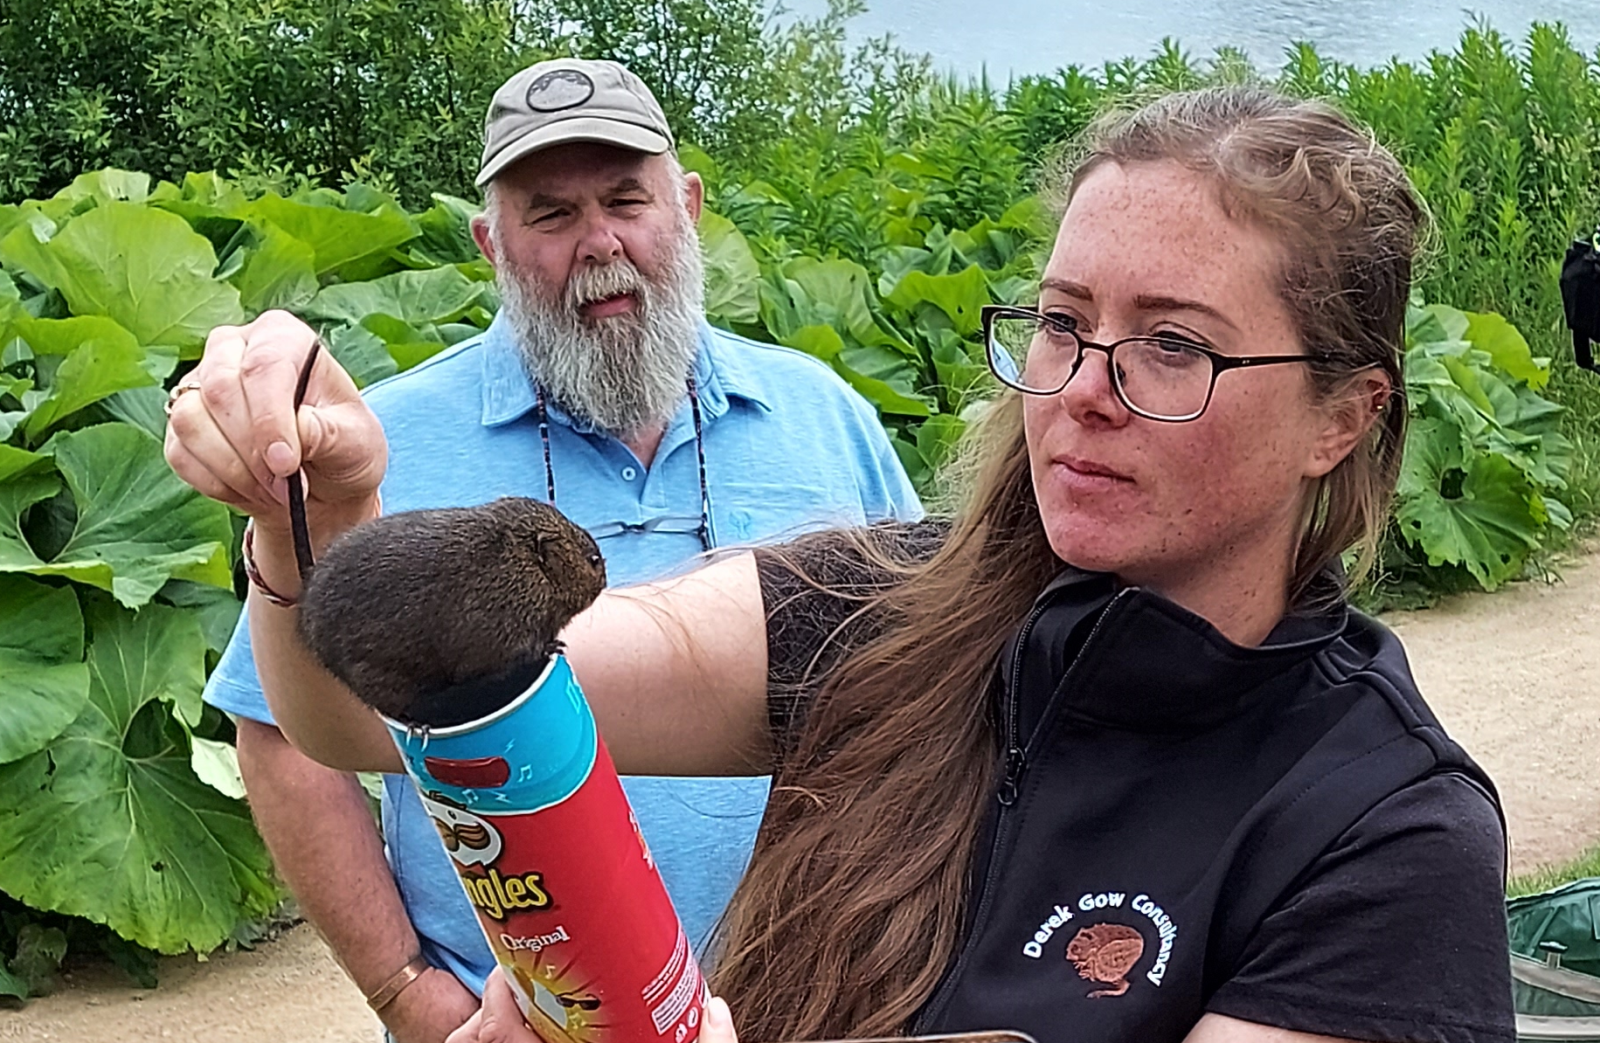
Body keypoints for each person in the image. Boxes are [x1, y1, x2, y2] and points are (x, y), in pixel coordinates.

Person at [170, 86, 1516, 1043]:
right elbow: (372, 718)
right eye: (1061, 322)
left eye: (1176, 343)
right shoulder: (874, 606)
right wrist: (312, 509)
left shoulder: (1387, 825)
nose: (1084, 388)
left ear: (1347, 412)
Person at [173, 57, 920, 1042]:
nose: (600, 243)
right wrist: (410, 993)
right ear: (491, 242)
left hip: (809, 1012)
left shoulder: (825, 416)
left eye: (626, 199)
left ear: (687, 207)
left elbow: (923, 695)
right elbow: (278, 735)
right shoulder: (380, 442)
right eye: (551, 214)